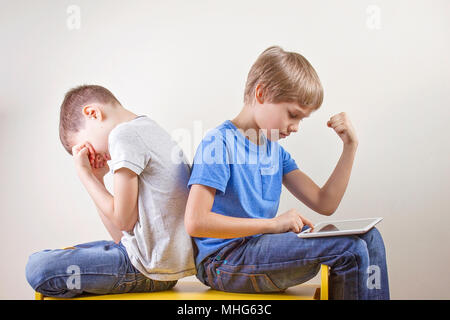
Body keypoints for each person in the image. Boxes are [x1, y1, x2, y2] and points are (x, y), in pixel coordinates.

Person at [185, 46, 389, 299]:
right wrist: (273, 224)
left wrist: (350, 146)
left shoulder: (275, 152)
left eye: (302, 119)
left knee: (370, 238)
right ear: (261, 93)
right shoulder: (219, 143)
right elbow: (195, 222)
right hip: (223, 262)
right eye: (293, 115)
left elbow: (324, 203)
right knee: (349, 251)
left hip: (259, 250)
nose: (295, 127)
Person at [26, 85, 196, 297]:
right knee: (62, 254)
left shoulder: (123, 135)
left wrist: (85, 175)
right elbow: (121, 235)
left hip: (147, 269)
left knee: (38, 267)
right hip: (156, 266)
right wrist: (98, 179)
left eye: (85, 148)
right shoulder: (148, 129)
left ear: (93, 113)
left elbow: (123, 220)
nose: (90, 157)